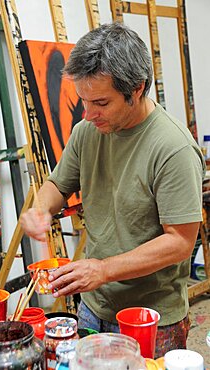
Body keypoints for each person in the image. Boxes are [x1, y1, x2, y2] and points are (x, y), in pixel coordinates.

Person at [20, 22, 206, 358]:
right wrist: (39, 210)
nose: (88, 114)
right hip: (93, 305)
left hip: (150, 317)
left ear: (137, 89)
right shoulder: (87, 132)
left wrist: (103, 269)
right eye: (84, 101)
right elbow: (56, 185)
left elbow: (180, 242)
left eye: (101, 103)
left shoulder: (173, 148)